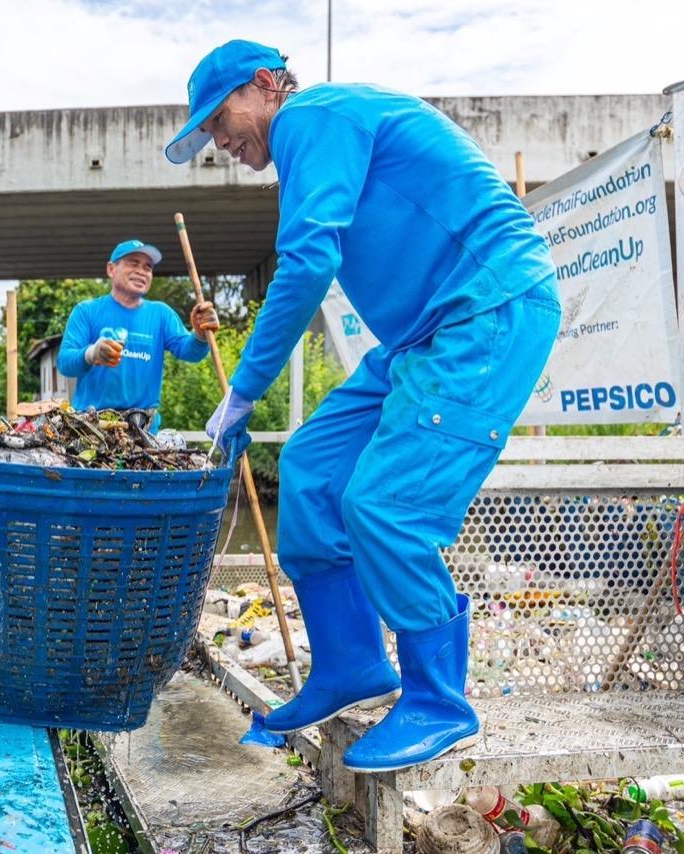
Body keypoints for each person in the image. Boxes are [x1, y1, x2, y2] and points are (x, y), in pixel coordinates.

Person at [166, 41, 559, 772]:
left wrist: (242, 392)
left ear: (265, 85)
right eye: (210, 132)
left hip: (487, 309)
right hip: (422, 335)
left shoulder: (312, 117)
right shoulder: (312, 143)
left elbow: (308, 262)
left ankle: (440, 702)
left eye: (220, 119)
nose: (219, 141)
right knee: (311, 467)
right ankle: (351, 664)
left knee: (385, 505)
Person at [57, 239, 219, 431]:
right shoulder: (87, 311)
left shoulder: (161, 314)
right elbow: (65, 363)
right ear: (111, 269)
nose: (141, 271)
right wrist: (92, 353)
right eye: (133, 263)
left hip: (143, 429)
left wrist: (200, 333)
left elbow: (190, 352)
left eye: (147, 267)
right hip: (92, 428)